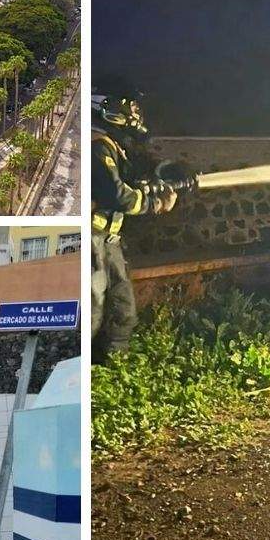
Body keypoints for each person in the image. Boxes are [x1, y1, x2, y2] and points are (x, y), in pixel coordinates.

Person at [91, 94, 197, 357]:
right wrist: (155, 204)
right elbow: (117, 195)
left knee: (123, 307)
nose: (136, 115)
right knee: (92, 310)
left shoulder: (115, 147)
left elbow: (135, 179)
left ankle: (114, 367)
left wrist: (169, 178)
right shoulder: (98, 145)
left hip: (109, 239)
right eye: (132, 108)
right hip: (92, 238)